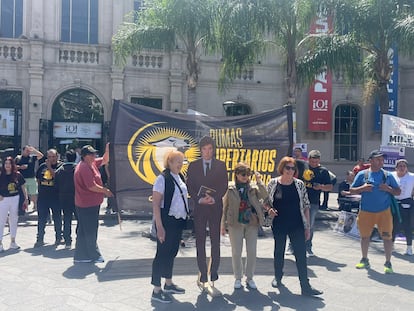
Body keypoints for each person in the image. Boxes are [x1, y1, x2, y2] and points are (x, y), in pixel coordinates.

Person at [265, 156, 322, 296]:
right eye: (287, 168)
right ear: (282, 168)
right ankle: (278, 277)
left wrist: (307, 227)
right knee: (279, 252)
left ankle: (305, 286)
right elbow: (265, 201)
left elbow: (306, 206)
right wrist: (269, 209)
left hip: (296, 224)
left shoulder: (299, 184)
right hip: (279, 223)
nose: (290, 171)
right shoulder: (273, 183)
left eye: (292, 168)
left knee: (300, 254)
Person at [186, 136, 228, 297]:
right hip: (200, 208)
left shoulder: (220, 165)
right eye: (204, 149)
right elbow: (190, 186)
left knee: (216, 241)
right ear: (200, 150)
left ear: (213, 149)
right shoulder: (193, 165)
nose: (207, 152)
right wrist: (199, 199)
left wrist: (215, 198)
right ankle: (203, 273)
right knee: (200, 241)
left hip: (215, 207)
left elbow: (224, 185)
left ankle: (214, 272)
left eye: (210, 149)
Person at [350, 150, 401, 273]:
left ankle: (388, 263)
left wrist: (388, 189)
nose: (381, 162)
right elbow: (352, 190)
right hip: (366, 212)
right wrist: (363, 188)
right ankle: (364, 259)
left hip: (384, 212)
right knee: (365, 237)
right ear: (371, 160)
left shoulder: (388, 175)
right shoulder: (362, 174)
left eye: (382, 160)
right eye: (378, 159)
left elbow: (398, 191)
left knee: (387, 238)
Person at [221, 162, 268, 290]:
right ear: (236, 174)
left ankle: (250, 277)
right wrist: (222, 225)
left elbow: (265, 196)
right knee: (236, 252)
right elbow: (224, 207)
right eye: (243, 174)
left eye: (248, 174)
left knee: (252, 251)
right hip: (235, 223)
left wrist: (259, 181)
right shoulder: (230, 188)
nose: (245, 177)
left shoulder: (253, 187)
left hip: (252, 222)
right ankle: (237, 277)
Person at [151, 151, 188, 304]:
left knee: (172, 252)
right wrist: (159, 227)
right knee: (162, 254)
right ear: (169, 162)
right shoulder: (162, 179)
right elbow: (156, 204)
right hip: (166, 222)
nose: (180, 164)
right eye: (177, 161)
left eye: (182, 161)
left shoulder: (180, 177)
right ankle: (156, 290)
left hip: (177, 222)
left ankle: (168, 283)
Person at [73, 144, 113, 263]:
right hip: (87, 204)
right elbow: (91, 186)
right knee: (90, 230)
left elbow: (105, 159)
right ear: (84, 156)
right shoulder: (84, 167)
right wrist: (105, 191)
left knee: (84, 230)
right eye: (91, 154)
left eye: (94, 153)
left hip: (88, 203)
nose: (94, 155)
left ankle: (81, 255)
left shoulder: (92, 163)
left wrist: (107, 150)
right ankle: (93, 255)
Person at [299, 149, 332, 256]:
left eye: (316, 162)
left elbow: (330, 186)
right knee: (296, 223)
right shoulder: (302, 166)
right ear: (308, 159)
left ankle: (308, 247)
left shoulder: (323, 171)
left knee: (310, 224)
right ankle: (293, 246)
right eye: (312, 161)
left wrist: (321, 187)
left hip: (313, 201)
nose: (314, 164)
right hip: (299, 200)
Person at [34, 148, 63, 247]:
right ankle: (40, 238)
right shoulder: (42, 166)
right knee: (41, 219)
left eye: (53, 156)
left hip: (55, 197)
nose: (52, 159)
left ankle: (59, 237)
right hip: (43, 197)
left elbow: (57, 177)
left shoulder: (60, 166)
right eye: (49, 157)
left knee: (57, 218)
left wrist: (49, 167)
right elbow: (38, 179)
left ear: (57, 156)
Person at [0, 157, 28, 252]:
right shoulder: (1, 175)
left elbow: (23, 186)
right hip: (3, 199)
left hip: (15, 198)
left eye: (9, 163)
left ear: (13, 165)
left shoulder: (17, 175)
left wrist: (26, 198)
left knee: (14, 220)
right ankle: (0, 243)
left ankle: (13, 241)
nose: (7, 165)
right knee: (1, 221)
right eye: (6, 163)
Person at [55, 149, 78, 249]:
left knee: (67, 219)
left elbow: (56, 186)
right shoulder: (78, 169)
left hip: (63, 197)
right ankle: (79, 238)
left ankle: (67, 240)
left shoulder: (59, 171)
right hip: (77, 197)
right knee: (79, 219)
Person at [391, 159, 414, 256]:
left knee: (407, 226)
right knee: (393, 226)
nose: (402, 168)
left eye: (404, 166)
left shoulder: (412, 177)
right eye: (400, 166)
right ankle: (390, 246)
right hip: (393, 203)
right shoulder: (391, 176)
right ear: (396, 168)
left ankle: (409, 247)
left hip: (406, 204)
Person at [15, 145, 44, 211]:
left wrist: (34, 150)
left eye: (29, 151)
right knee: (23, 194)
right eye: (27, 150)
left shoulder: (32, 158)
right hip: (22, 179)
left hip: (31, 178)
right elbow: (13, 166)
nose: (28, 152)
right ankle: (23, 207)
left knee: (33, 194)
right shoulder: (18, 158)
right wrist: (20, 167)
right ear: (23, 151)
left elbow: (41, 156)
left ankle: (35, 206)